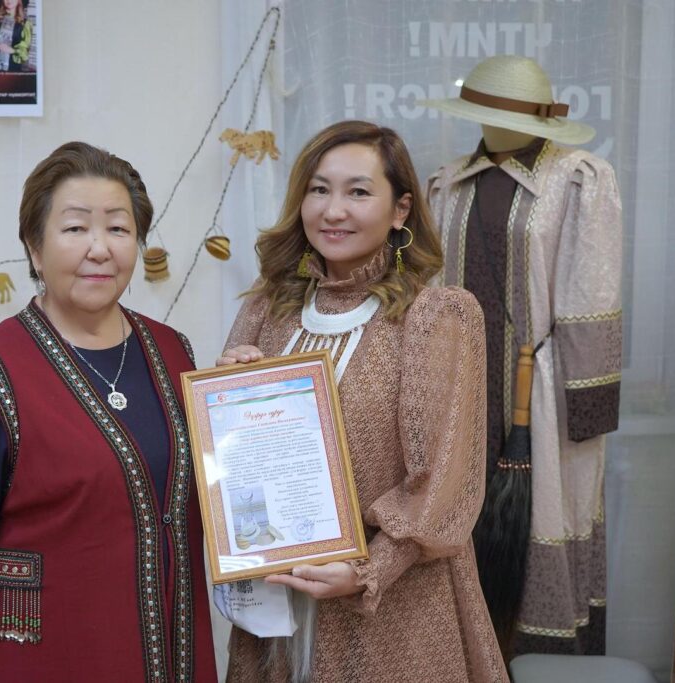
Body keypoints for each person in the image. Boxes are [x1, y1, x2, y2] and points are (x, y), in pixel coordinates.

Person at [219, 120, 507, 682]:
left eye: (358, 192)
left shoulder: (435, 316)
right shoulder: (266, 311)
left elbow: (446, 482)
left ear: (400, 210)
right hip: (277, 611)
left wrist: (369, 569)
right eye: (319, 189)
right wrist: (230, 400)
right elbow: (232, 472)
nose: (333, 211)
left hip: (396, 611)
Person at [0, 142, 218, 682]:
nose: (99, 249)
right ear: (35, 248)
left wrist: (251, 394)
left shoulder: (174, 352)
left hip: (175, 658)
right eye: (76, 228)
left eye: (118, 229)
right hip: (50, 661)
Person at [424, 55, 622, 656]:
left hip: (542, 395)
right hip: (458, 396)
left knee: (540, 519)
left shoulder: (578, 180)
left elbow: (593, 294)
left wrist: (586, 413)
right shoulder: (446, 184)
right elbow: (425, 290)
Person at [0, 0, 32, 72]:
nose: (9, 0)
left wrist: (12, 50)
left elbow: (25, 52)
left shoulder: (25, 24)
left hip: (12, 69)